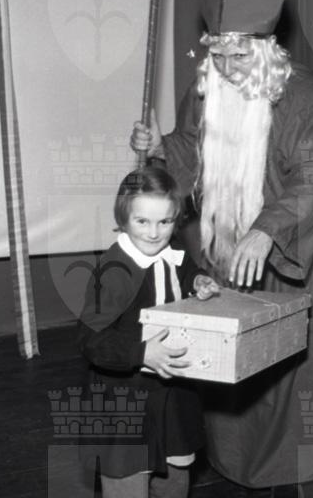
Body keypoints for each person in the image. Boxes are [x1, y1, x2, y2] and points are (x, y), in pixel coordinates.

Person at [131, 0, 313, 496]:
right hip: (229, 244)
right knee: (228, 360)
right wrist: (159, 147)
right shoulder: (209, 88)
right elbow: (190, 149)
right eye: (218, 53)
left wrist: (267, 228)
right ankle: (232, 463)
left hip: (295, 245)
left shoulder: (301, 93)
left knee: (288, 371)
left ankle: (289, 473)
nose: (226, 67)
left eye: (239, 54)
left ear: (267, 48)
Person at [77, 165, 219, 498]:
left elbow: (186, 270)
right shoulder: (113, 272)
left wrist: (198, 281)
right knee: (127, 479)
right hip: (124, 397)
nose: (154, 233)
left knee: (174, 478)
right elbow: (90, 340)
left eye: (165, 222)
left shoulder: (174, 252)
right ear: (123, 219)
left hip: (172, 395)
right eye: (142, 221)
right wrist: (141, 353)